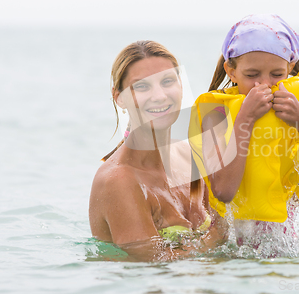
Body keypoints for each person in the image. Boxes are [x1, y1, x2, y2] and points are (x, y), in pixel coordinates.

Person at [190, 15, 299, 249]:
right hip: (227, 255)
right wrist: (245, 119)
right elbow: (224, 191)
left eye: (277, 75)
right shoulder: (214, 114)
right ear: (231, 71)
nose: (264, 84)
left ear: (290, 68)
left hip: (282, 252)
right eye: (252, 75)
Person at [89, 41, 227, 262]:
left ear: (181, 85)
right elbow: (152, 262)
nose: (160, 96)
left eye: (167, 81)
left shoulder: (190, 155)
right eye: (142, 87)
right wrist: (221, 231)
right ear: (119, 97)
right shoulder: (118, 181)